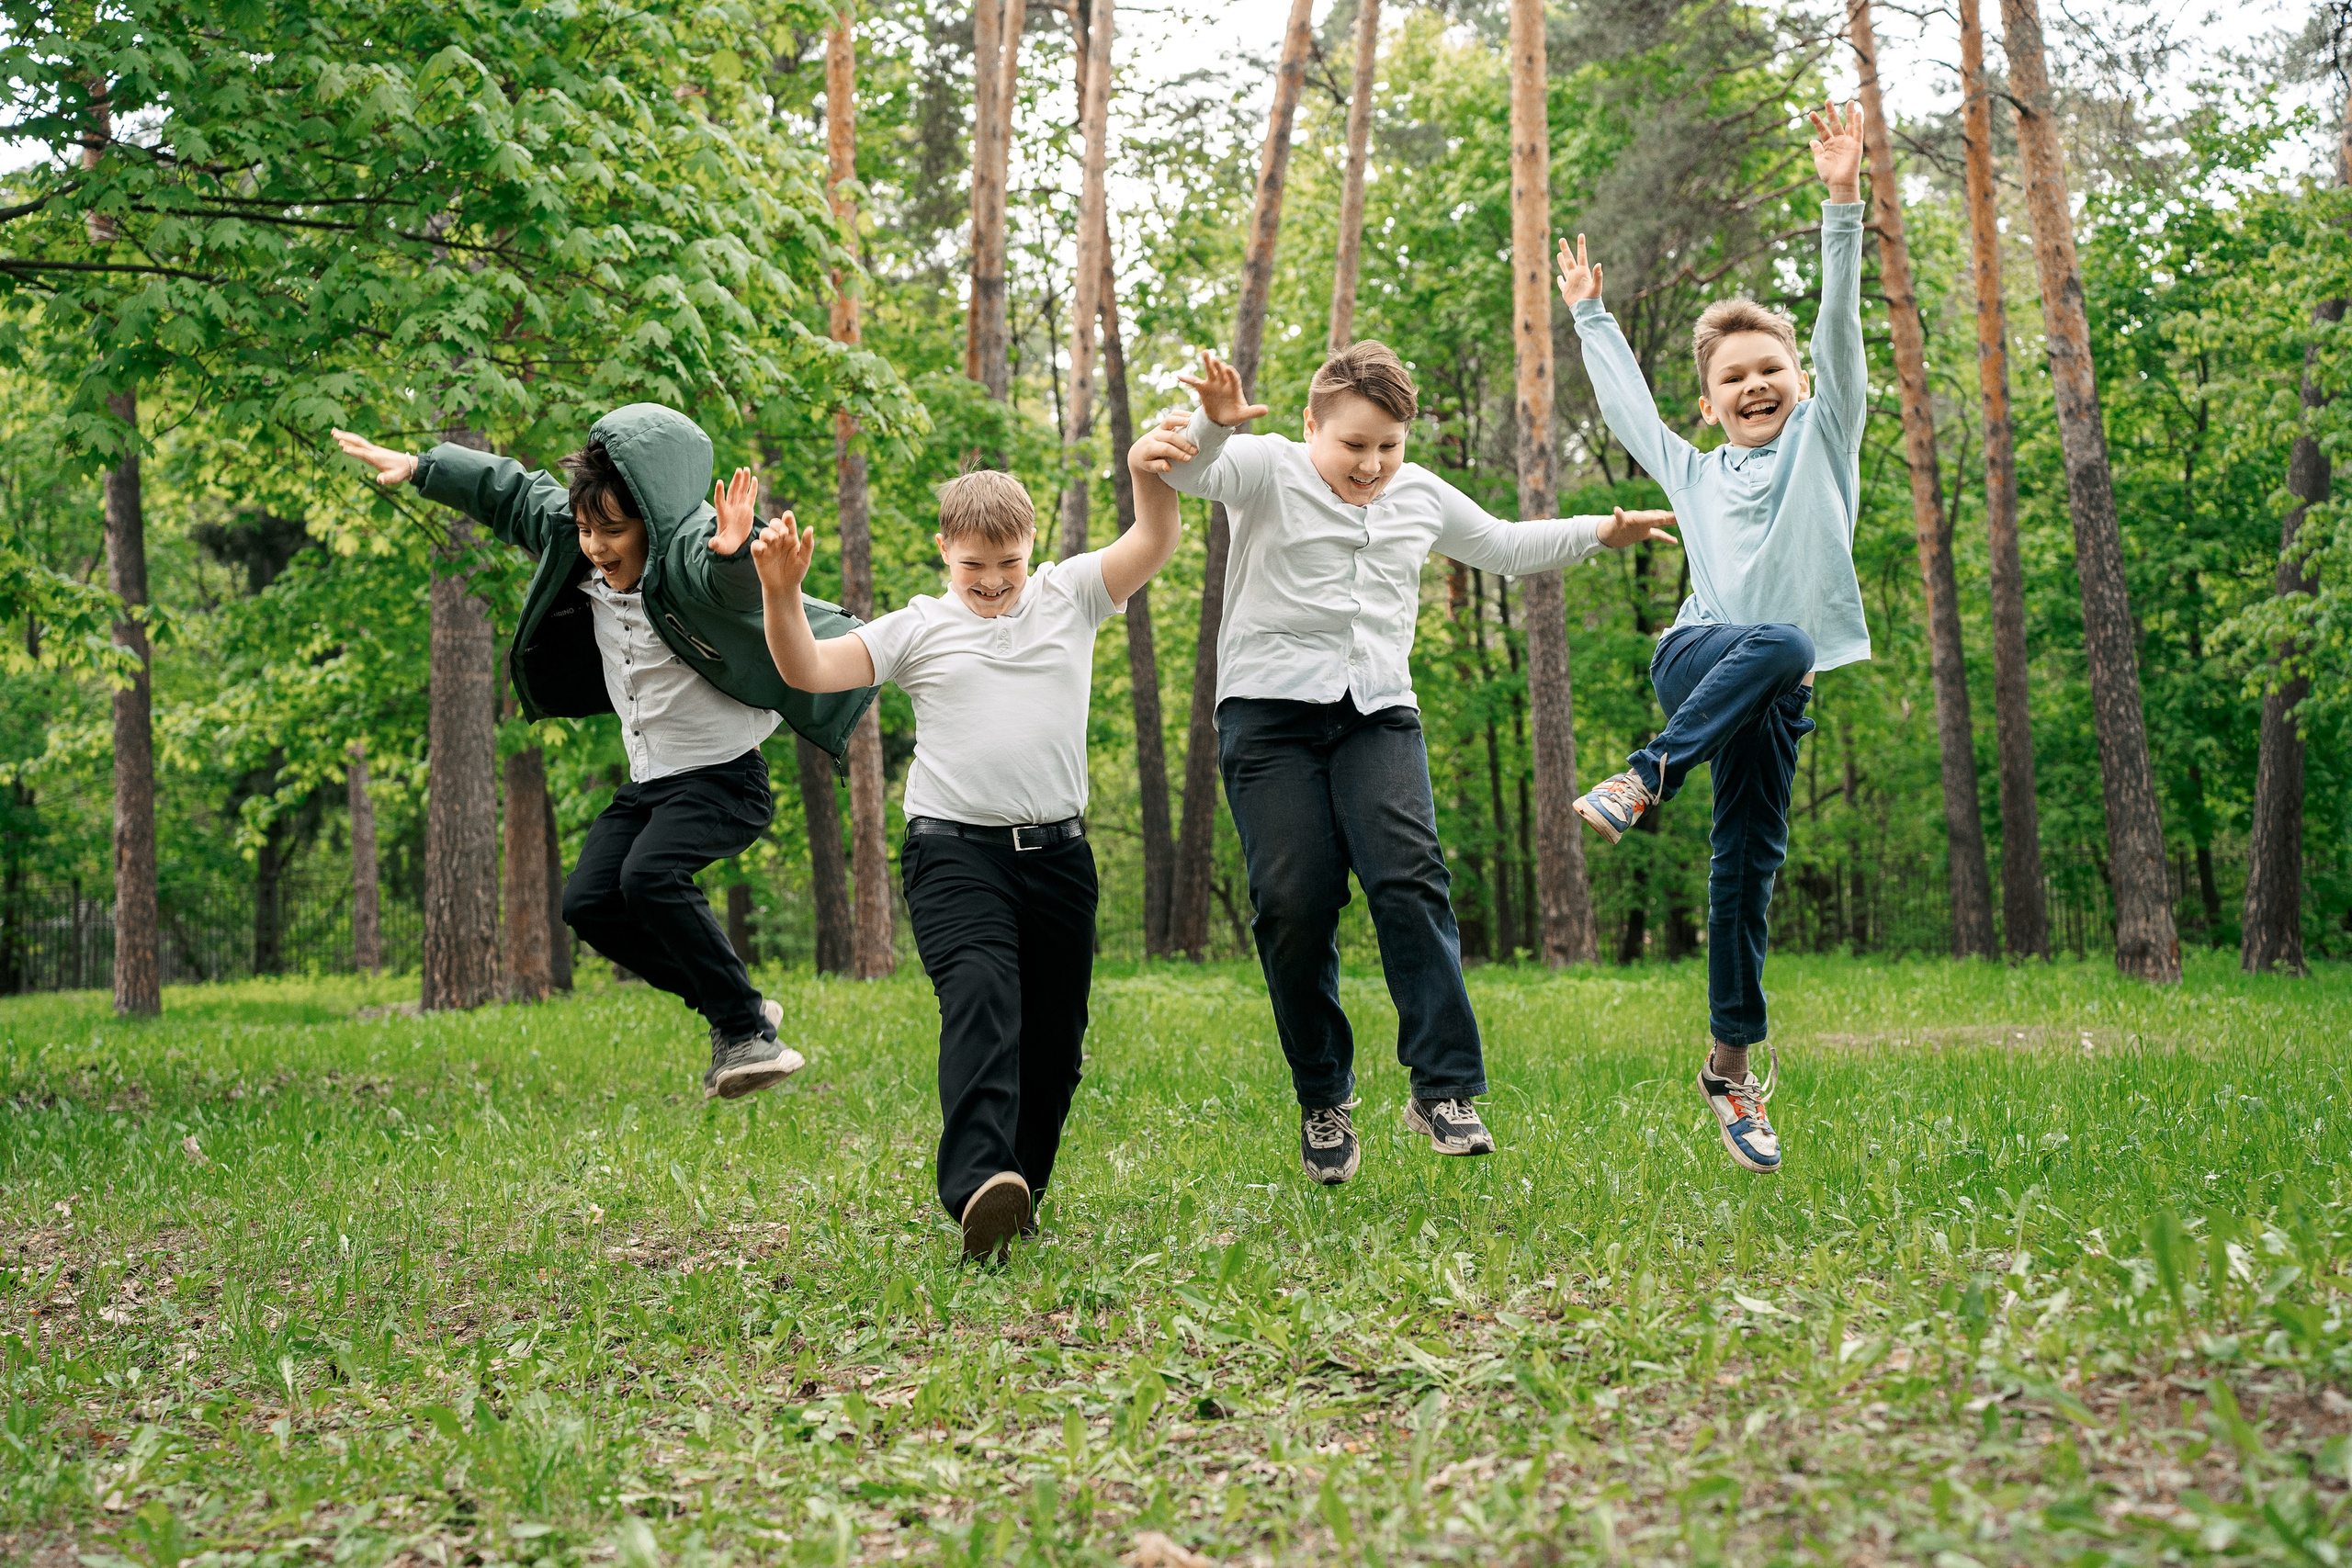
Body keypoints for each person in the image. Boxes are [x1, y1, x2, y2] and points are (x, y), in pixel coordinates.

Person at [1157, 342, 1676, 1186]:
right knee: (1295, 902)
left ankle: (1444, 1086)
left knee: (1411, 876)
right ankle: (1324, 1093)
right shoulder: (1264, 469)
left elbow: (1505, 546)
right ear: (1311, 424)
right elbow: (1186, 473)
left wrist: (1599, 531)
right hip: (1268, 715)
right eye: (1353, 444)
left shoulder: (1420, 493)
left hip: (1377, 713)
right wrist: (1213, 424)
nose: (1371, 464)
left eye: (1388, 447)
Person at [330, 406, 876, 1100]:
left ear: (653, 519)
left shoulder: (689, 554)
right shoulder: (574, 538)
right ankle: (734, 1002)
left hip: (724, 781)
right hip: (651, 784)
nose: (595, 546)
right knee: (588, 901)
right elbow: (515, 493)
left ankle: (744, 1031)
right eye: (588, 528)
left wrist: (737, 553)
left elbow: (730, 588)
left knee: (649, 877)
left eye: (614, 531)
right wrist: (422, 467)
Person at [750, 424, 1189, 1261]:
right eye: (973, 567)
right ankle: (977, 1178)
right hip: (955, 855)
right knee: (984, 996)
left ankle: (1013, 1199)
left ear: (1033, 548)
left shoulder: (1072, 595)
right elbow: (806, 668)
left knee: (1055, 1048)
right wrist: (780, 591)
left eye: (1009, 565)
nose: (992, 584)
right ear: (943, 549)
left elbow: (1154, 536)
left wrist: (1144, 471)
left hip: (1060, 858)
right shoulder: (917, 628)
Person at [1555, 100, 1871, 1177]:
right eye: (1732, 378)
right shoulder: (1692, 473)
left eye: (1768, 370)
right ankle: (1645, 776)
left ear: (1800, 382)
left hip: (1772, 692)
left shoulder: (1827, 439)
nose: (1753, 386)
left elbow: (1837, 327)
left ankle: (1731, 1073)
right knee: (1779, 639)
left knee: (1749, 864)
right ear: (1711, 400)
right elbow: (1631, 416)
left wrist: (1841, 203)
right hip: (1697, 659)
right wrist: (1592, 318)